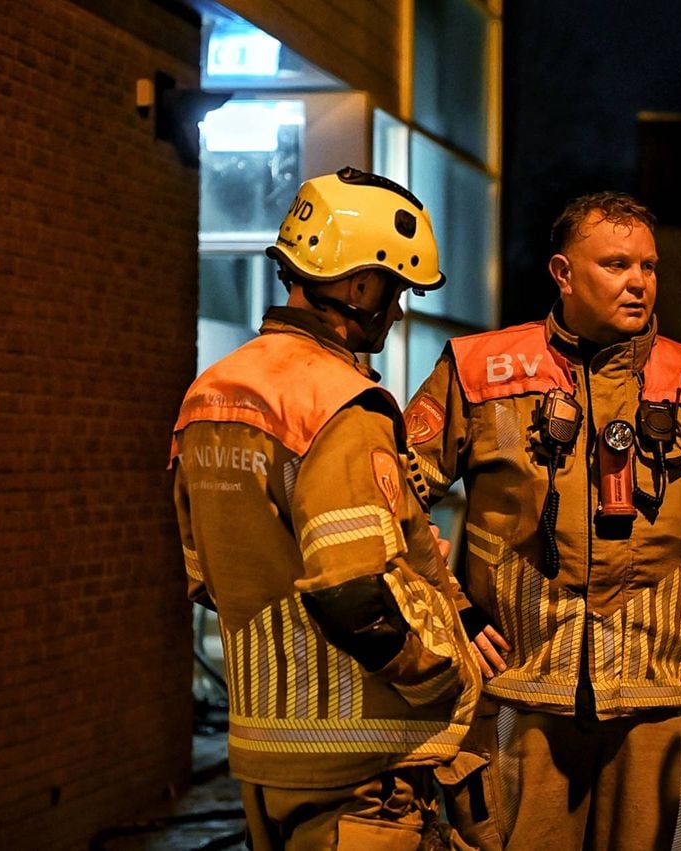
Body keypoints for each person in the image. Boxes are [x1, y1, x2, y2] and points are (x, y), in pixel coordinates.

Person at [404, 191, 681, 849]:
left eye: (648, 265)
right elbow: (394, 496)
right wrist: (454, 613)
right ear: (563, 272)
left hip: (657, 702)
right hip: (519, 697)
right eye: (615, 264)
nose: (639, 282)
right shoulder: (479, 370)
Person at [171, 167, 480, 850]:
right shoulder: (341, 404)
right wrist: (443, 681)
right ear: (360, 285)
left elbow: (202, 577)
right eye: (395, 289)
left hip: (261, 751)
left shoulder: (209, 397)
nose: (398, 311)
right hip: (358, 769)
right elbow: (353, 596)